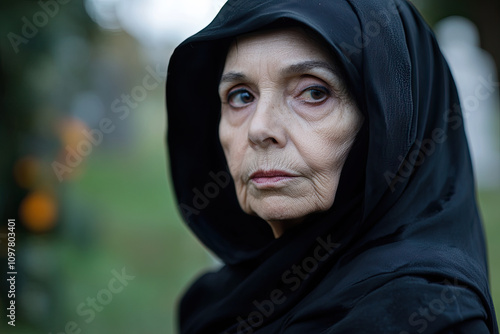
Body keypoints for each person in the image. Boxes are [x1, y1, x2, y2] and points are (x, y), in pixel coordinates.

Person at [166, 0, 498, 333]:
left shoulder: (425, 314)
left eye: (313, 92)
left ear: (391, 125)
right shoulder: (218, 297)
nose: (259, 129)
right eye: (241, 96)